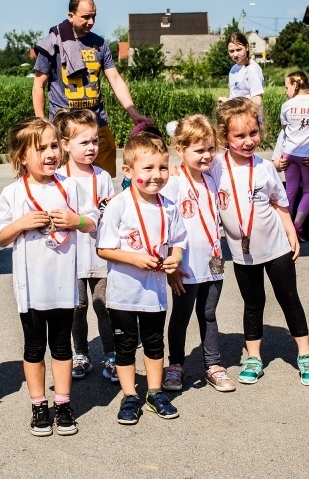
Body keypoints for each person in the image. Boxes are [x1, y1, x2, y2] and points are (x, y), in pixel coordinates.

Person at [0, 117, 98, 437]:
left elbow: (93, 221)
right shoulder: (13, 193)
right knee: (35, 347)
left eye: (54, 146)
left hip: (64, 283)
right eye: (41, 148)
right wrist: (21, 223)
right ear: (22, 156)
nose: (51, 153)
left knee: (62, 345)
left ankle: (63, 404)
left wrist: (76, 220)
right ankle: (39, 405)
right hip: (31, 287)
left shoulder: (71, 186)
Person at [210, 97, 309, 386]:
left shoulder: (265, 168)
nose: (249, 141)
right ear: (224, 137)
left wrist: (291, 232)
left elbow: (279, 203)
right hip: (241, 252)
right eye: (240, 136)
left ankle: (305, 354)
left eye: (253, 133)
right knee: (253, 302)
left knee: (289, 298)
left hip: (275, 246)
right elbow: (191, 176)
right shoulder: (214, 168)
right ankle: (254, 357)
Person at [96, 132, 187, 425]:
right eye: (147, 169)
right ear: (128, 171)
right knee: (125, 346)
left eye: (162, 168)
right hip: (123, 293)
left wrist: (176, 258)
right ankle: (129, 396)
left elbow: (179, 239)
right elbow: (104, 248)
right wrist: (134, 258)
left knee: (154, 343)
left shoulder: (169, 206)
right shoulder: (118, 206)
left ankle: (154, 392)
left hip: (154, 293)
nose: (156, 176)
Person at [33, 0, 152, 178]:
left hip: (97, 123)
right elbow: (39, 85)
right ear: (71, 15)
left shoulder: (100, 44)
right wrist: (41, 123)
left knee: (103, 178)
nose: (91, 22)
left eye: (93, 16)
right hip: (65, 127)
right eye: (85, 17)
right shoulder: (52, 43)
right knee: (65, 181)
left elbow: (115, 79)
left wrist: (134, 114)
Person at [160, 115, 233, 392]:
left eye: (210, 149)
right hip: (185, 265)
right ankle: (176, 364)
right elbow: (164, 225)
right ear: (180, 149)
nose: (207, 156)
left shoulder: (212, 178)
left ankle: (213, 365)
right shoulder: (174, 184)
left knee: (210, 314)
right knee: (181, 315)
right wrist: (171, 266)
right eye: (199, 150)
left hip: (213, 262)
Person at [52, 109, 117, 382]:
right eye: (84, 142)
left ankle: (112, 356)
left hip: (100, 254)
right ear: (65, 144)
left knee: (104, 305)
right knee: (77, 307)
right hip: (70, 256)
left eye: (95, 141)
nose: (91, 147)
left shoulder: (102, 176)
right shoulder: (56, 177)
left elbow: (111, 214)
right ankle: (81, 355)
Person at [272, 71, 309, 242]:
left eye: (287, 87)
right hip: (308, 155)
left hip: (289, 153)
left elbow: (285, 130)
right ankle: (297, 226)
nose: (286, 91)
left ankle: (285, 229)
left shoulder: (287, 105)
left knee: (290, 191)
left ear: (295, 85)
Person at [219, 32, 264, 113]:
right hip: (235, 117)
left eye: (239, 49)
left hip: (249, 118)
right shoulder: (233, 69)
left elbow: (257, 102)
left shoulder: (252, 69)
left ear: (246, 47)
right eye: (231, 51)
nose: (235, 54)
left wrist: (229, 103)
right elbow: (234, 96)